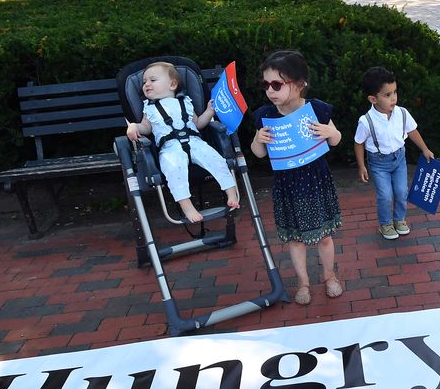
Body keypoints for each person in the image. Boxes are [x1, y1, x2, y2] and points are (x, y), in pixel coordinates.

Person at [250, 50, 344, 305]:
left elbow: (336, 139)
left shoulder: (316, 110)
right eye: (266, 84)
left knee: (324, 235)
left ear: (300, 84)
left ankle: (329, 275)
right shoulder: (265, 116)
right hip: (287, 184)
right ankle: (303, 282)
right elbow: (258, 153)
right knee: (295, 239)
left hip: (315, 181)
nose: (270, 90)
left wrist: (328, 132)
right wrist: (258, 140)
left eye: (277, 84)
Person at [126, 62, 240, 223]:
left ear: (172, 84)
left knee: (217, 160)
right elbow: (145, 127)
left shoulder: (185, 102)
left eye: (152, 80)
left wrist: (209, 112)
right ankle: (187, 206)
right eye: (144, 82)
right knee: (174, 170)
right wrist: (133, 126)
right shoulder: (149, 108)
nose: (146, 84)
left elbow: (198, 123)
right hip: (170, 147)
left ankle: (231, 192)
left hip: (195, 141)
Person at [353, 67, 435, 240]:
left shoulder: (402, 113)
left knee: (401, 190)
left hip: (399, 159)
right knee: (384, 194)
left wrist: (425, 149)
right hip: (378, 163)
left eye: (395, 92)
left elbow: (412, 131)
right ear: (373, 99)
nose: (393, 98)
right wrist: (361, 165)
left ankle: (399, 219)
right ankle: (385, 224)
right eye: (387, 95)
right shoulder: (366, 121)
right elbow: (358, 143)